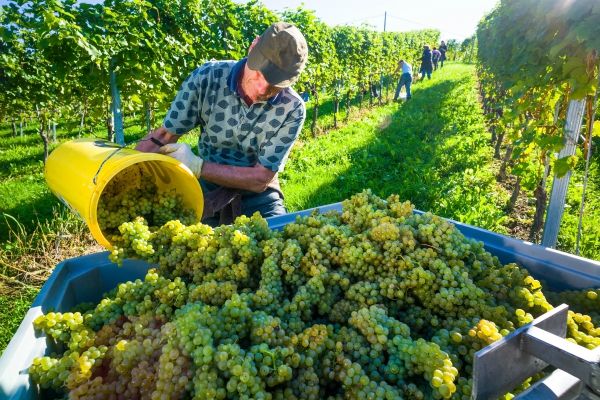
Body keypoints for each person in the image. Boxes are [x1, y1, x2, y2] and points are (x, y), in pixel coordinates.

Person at [136, 22, 308, 225]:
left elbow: (261, 178)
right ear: (253, 47)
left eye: (275, 85)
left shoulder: (292, 108)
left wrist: (198, 166)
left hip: (258, 196)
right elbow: (164, 136)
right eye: (260, 74)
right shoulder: (207, 78)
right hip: (206, 189)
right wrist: (124, 173)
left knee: (277, 243)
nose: (262, 89)